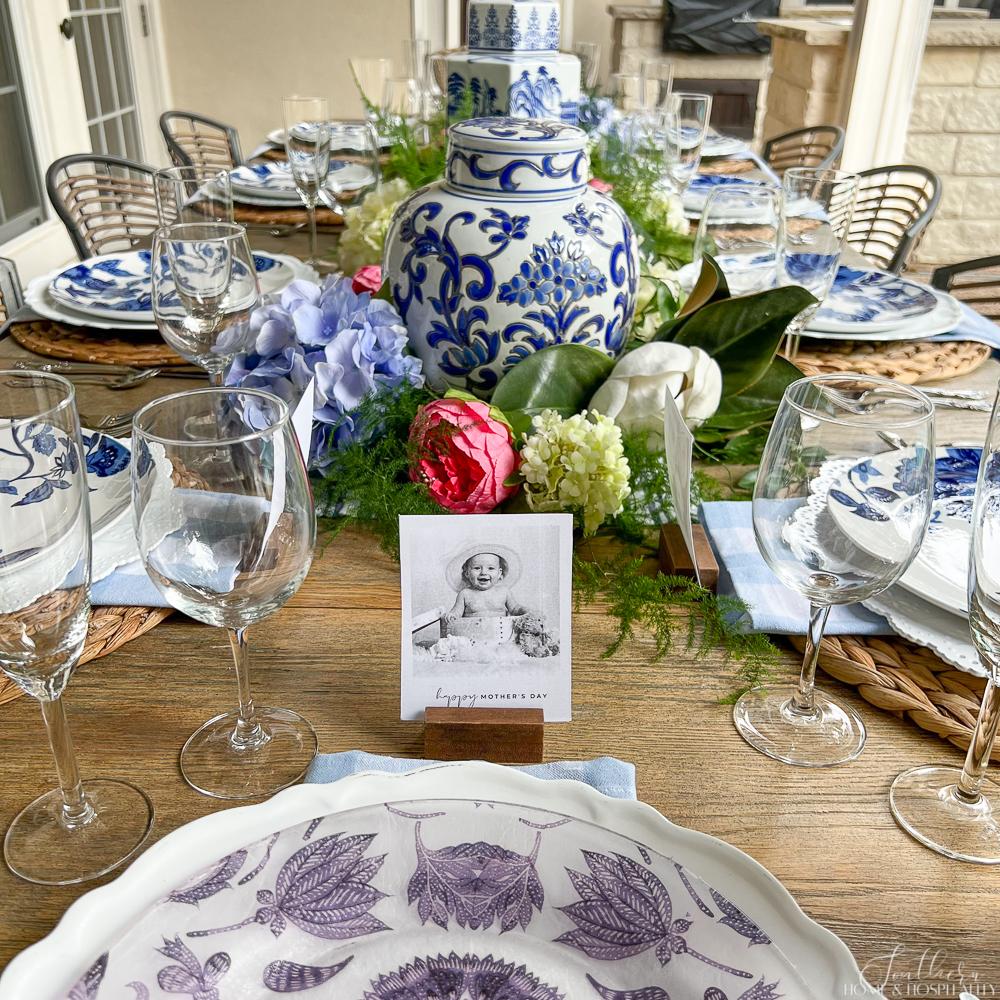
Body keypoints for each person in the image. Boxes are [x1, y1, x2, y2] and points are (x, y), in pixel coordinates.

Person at [445, 551, 529, 621]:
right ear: (467, 573)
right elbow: (457, 611)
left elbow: (514, 609)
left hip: (500, 634)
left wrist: (523, 610)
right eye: (477, 568)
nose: (483, 572)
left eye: (491, 568)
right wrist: (453, 615)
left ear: (499, 573)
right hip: (473, 634)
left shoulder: (504, 592)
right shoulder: (465, 594)